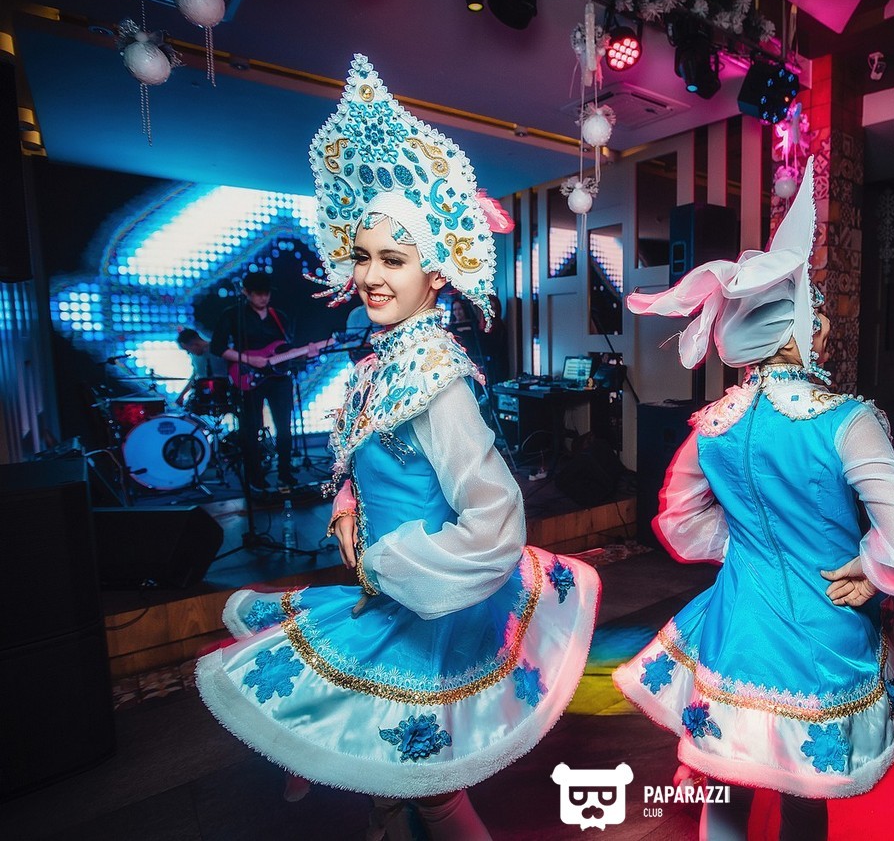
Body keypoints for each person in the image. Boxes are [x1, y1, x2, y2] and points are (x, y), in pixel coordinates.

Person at [196, 55, 600, 840]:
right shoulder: (381, 365)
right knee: (387, 767)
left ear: (436, 272)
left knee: (431, 786)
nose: (371, 276)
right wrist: (348, 504)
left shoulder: (437, 380)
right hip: (387, 594)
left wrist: (386, 562)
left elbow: (494, 519)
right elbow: (367, 455)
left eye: (393, 258)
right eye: (363, 256)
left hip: (429, 609)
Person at [613, 160, 894, 840]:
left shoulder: (714, 423)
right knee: (803, 791)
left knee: (728, 786)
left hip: (738, 624)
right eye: (816, 318)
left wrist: (745, 546)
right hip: (820, 633)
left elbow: (677, 520)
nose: (824, 331)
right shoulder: (845, 419)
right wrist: (874, 569)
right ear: (795, 331)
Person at [211, 271, 300, 490]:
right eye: (258, 293)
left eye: (266, 293)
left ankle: (285, 472)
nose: (263, 298)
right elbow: (217, 347)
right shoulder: (233, 314)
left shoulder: (279, 316)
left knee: (284, 427)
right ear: (246, 292)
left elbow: (285, 347)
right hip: (247, 376)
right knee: (250, 429)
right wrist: (251, 359)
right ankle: (255, 477)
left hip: (278, 378)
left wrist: (304, 352)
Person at [175, 327, 228, 408]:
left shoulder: (219, 348)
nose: (189, 353)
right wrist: (182, 395)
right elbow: (195, 376)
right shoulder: (195, 357)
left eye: (188, 350)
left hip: (225, 393)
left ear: (194, 344)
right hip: (204, 397)